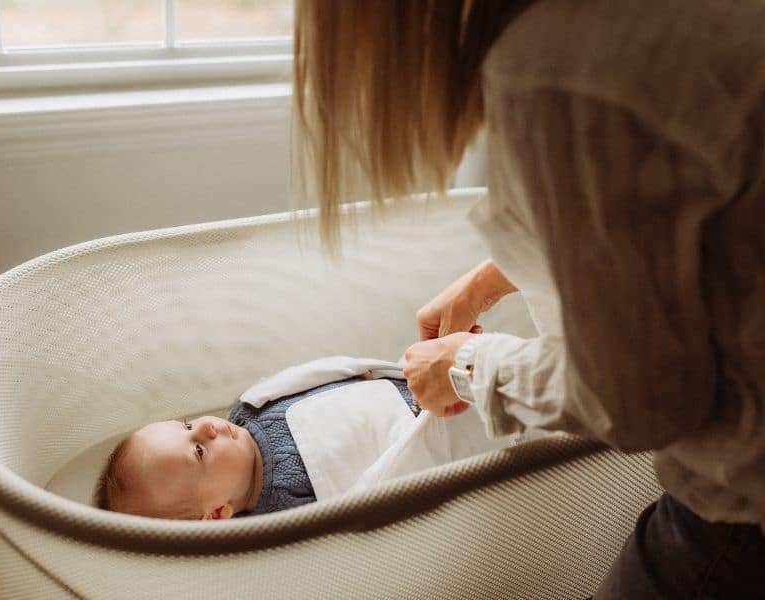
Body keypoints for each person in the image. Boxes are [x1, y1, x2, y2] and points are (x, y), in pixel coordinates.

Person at [291, 0, 765, 598]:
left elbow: (641, 396)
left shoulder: (555, 64)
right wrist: (497, 274)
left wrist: (466, 367)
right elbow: (675, 216)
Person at [94, 374, 418, 519]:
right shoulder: (284, 513)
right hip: (419, 434)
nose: (207, 426)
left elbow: (300, 378)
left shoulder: (249, 408)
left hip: (405, 379)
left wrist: (348, 371)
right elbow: (369, 498)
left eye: (187, 426)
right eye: (199, 451)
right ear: (218, 512)